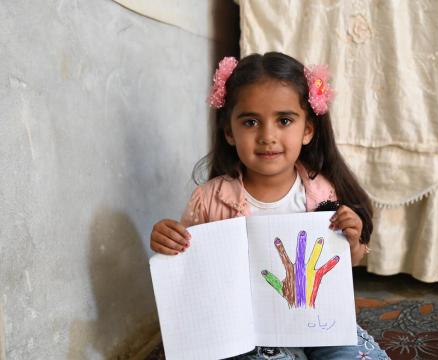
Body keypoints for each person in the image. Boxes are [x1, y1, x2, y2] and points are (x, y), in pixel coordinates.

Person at [150, 52, 390, 360]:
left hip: (319, 324)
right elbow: (190, 269)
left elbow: (343, 264)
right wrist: (167, 241)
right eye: (250, 122)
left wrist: (353, 239)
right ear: (229, 132)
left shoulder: (322, 192)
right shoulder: (208, 199)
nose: (267, 136)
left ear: (307, 130)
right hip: (252, 334)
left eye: (284, 120)